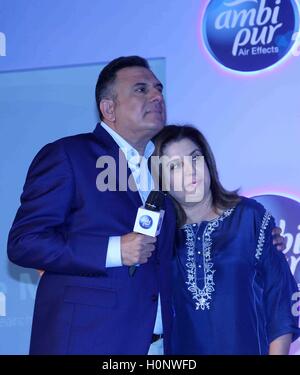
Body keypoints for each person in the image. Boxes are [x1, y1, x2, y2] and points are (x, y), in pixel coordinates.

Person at [7, 56, 177, 355]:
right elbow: (25, 242)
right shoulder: (69, 155)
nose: (156, 96)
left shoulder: (162, 167)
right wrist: (114, 250)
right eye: (141, 89)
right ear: (109, 108)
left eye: (158, 88)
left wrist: (255, 235)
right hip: (87, 343)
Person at [153, 125, 300, 355]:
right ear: (161, 180)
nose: (191, 171)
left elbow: (280, 299)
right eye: (175, 166)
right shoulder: (160, 237)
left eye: (195, 159)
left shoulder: (249, 217)